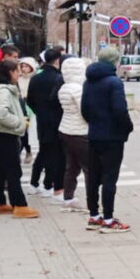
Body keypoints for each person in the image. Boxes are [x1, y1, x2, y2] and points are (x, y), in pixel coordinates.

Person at [82, 47, 135, 232]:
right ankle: (108, 219)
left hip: (94, 134)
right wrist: (128, 127)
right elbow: (120, 110)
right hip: (112, 137)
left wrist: (95, 123)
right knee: (109, 177)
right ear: (115, 62)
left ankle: (94, 215)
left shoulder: (88, 81)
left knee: (93, 176)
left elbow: (85, 109)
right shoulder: (114, 82)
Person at [0, 59, 39, 218]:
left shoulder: (0, 89)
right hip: (5, 132)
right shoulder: (4, 91)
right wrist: (19, 122)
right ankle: (19, 205)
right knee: (13, 169)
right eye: (17, 71)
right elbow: (1, 114)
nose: (20, 73)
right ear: (10, 73)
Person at [27, 49, 66, 203]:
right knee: (57, 154)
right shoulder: (59, 78)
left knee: (44, 151)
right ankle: (49, 185)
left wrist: (40, 112)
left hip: (42, 121)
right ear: (57, 61)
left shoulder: (36, 78)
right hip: (58, 120)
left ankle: (35, 182)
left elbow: (30, 100)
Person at [56, 56, 89, 211]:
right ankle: (92, 201)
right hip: (80, 131)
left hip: (65, 128)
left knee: (72, 166)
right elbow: (85, 111)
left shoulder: (64, 87)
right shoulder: (78, 89)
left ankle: (68, 197)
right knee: (89, 167)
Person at [16, 57, 37, 165]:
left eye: (26, 66)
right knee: (22, 131)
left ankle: (27, 151)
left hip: (30, 108)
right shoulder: (17, 78)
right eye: (22, 66)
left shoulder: (35, 79)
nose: (24, 68)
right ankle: (24, 152)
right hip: (19, 106)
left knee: (26, 131)